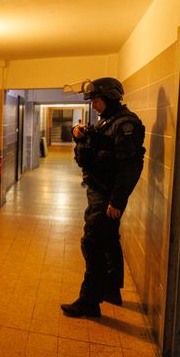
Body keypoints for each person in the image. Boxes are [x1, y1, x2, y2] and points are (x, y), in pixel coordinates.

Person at [61, 77, 145, 318]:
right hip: (100, 190)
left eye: (96, 100)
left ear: (109, 98)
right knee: (108, 241)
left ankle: (89, 301)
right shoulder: (109, 121)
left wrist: (117, 201)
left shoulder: (126, 125)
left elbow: (131, 167)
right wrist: (81, 137)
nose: (94, 105)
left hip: (107, 196)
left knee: (92, 242)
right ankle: (110, 291)